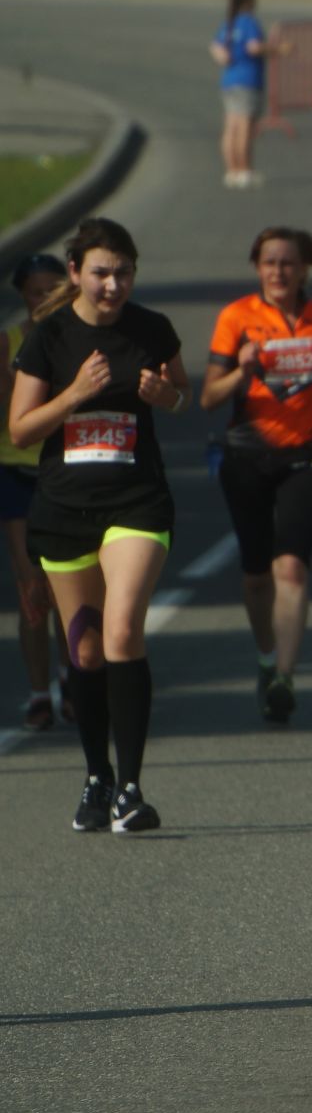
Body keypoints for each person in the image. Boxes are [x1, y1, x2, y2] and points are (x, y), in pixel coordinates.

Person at [9, 218, 191, 835]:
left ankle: (132, 789)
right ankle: (97, 777)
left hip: (137, 503)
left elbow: (181, 395)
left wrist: (165, 397)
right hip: (64, 509)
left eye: (124, 272)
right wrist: (74, 395)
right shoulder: (48, 336)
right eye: (102, 272)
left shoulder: (152, 329)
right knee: (84, 650)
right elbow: (20, 430)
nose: (113, 284)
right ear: (76, 273)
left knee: (120, 631)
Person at [202, 229, 312, 725]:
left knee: (293, 568)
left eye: (288, 263)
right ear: (257, 267)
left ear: (305, 268)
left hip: (309, 454)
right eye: (269, 263)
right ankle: (266, 657)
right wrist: (241, 372)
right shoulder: (237, 318)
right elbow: (208, 398)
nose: (279, 272)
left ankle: (285, 675)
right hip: (247, 457)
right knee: (256, 574)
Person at [2, 255, 71, 732]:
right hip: (17, 472)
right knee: (32, 589)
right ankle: (38, 691)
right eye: (34, 292)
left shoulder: (78, 338)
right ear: (22, 296)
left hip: (66, 472)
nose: (43, 300)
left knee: (70, 588)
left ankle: (74, 682)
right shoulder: (8, 343)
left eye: (53, 290)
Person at [210, 0, 283, 189]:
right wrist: (276, 49)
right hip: (248, 79)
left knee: (230, 127)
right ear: (249, 1)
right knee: (245, 127)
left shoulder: (229, 24)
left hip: (229, 80)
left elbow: (216, 48)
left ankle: (231, 170)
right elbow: (254, 47)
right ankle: (244, 169)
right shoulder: (249, 22)